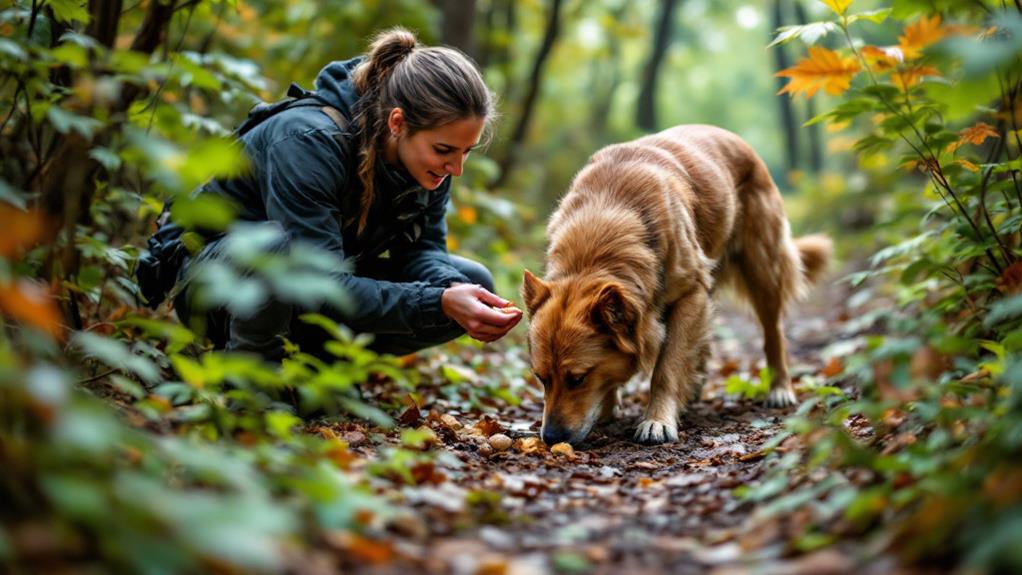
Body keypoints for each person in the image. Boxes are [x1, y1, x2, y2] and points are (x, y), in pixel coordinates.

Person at [166, 27, 522, 360]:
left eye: (466, 152)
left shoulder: (427, 163)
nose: (456, 168)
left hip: (311, 278)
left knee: (473, 282)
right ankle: (249, 378)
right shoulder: (308, 141)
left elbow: (423, 250)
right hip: (215, 284)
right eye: (444, 150)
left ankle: (319, 368)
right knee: (274, 245)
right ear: (398, 123)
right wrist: (436, 302)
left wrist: (454, 293)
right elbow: (318, 281)